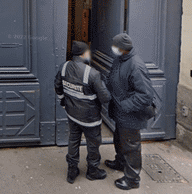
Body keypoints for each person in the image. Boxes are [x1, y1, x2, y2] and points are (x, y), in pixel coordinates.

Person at [54, 41, 111, 184]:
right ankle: (93, 171)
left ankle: (71, 171)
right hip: (90, 118)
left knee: (73, 140)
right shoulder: (92, 73)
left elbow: (58, 86)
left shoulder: (64, 67)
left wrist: (63, 102)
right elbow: (105, 98)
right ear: (84, 53)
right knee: (93, 143)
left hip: (72, 114)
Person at [105, 33, 156, 190]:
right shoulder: (120, 59)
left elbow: (146, 95)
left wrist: (125, 105)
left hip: (131, 114)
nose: (113, 49)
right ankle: (120, 162)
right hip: (120, 112)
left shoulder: (136, 65)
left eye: (115, 46)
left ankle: (132, 179)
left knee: (131, 146)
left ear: (122, 48)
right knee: (119, 139)